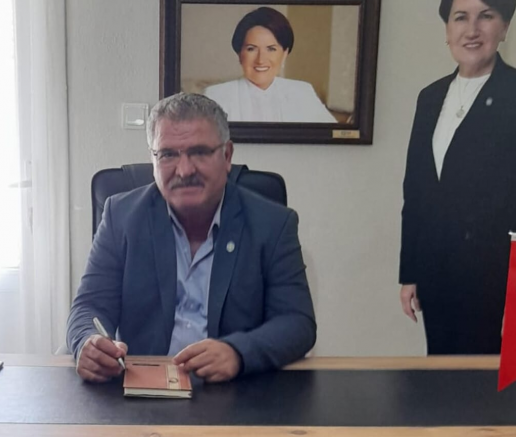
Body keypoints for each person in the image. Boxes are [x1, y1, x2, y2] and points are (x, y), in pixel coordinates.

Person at [67, 93, 316, 383]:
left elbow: (297, 322)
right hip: (142, 386)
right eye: (168, 154)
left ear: (227, 156)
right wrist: (88, 341)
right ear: (153, 159)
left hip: (232, 389)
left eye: (199, 152)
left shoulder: (273, 224)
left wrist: (238, 352)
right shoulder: (121, 217)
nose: (184, 170)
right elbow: (89, 307)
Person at [398, 0, 516, 355]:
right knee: (440, 372)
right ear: (447, 30)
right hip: (437, 271)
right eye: (460, 18)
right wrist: (410, 273)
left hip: (495, 276)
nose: (472, 30)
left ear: (505, 27)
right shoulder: (430, 97)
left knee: (487, 379)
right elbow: (417, 192)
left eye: (486, 16)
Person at [204, 7, 336, 123]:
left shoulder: (302, 92)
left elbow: (332, 137)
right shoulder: (216, 96)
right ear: (240, 54)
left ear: (284, 54)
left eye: (271, 49)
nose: (261, 60)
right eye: (251, 49)